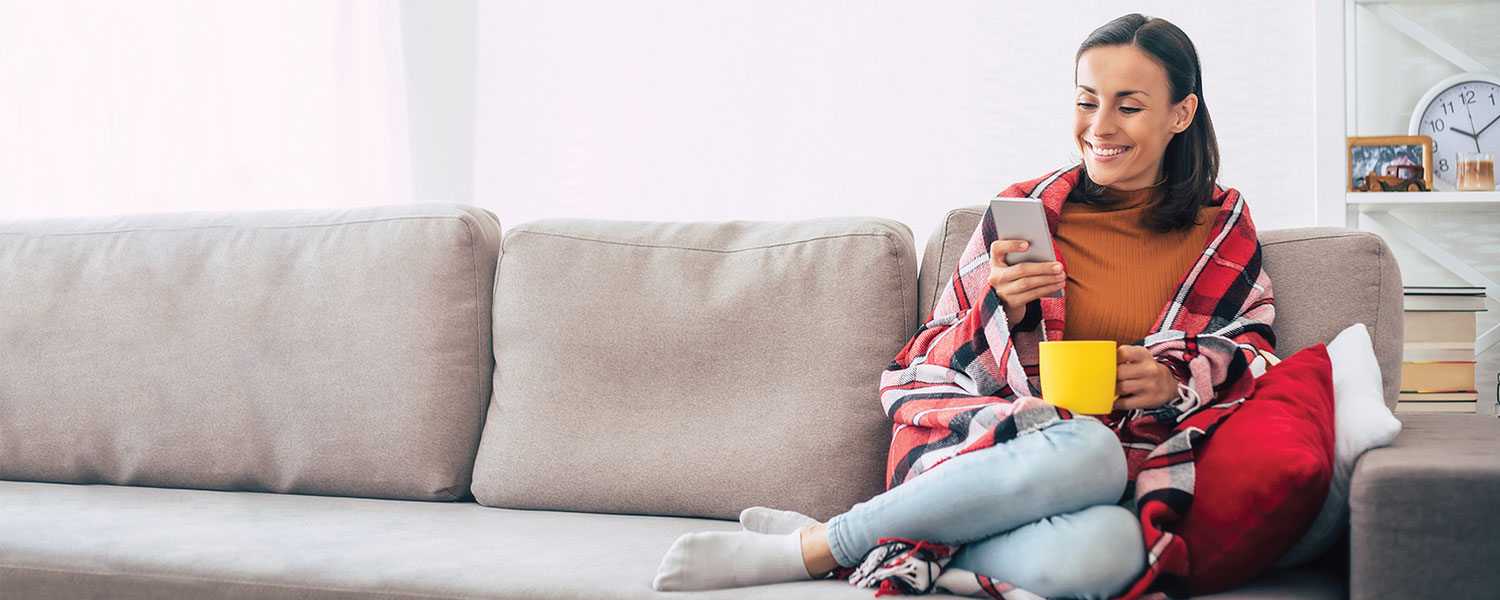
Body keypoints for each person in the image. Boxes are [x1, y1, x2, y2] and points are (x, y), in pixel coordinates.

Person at [652, 13, 1274, 600]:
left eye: (1128, 106)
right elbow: (933, 350)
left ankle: (896, 544)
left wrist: (1174, 379)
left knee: (1112, 554)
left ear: (1181, 113)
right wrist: (998, 310)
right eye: (1086, 101)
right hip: (987, 444)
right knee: (1087, 449)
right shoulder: (1025, 210)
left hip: (1124, 465)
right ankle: (817, 545)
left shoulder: (1221, 228)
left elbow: (1254, 354)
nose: (1099, 127)